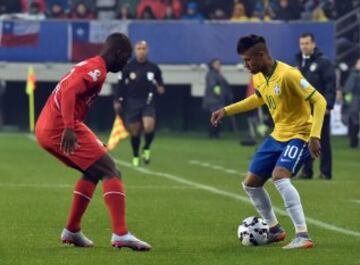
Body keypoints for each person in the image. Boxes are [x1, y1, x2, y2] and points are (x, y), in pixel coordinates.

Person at [35, 33, 151, 251]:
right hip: (60, 127)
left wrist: (87, 136)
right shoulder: (96, 70)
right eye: (125, 58)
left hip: (48, 126)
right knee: (111, 171)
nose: (126, 63)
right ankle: (121, 233)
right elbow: (69, 91)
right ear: (118, 53)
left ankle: (72, 230)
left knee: (93, 171)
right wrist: (69, 127)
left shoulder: (90, 65)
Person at [211, 34, 327, 249]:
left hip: (299, 135)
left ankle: (303, 235)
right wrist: (226, 111)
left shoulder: (289, 74)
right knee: (251, 184)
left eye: (248, 60)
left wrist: (315, 136)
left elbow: (319, 100)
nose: (245, 65)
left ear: (261, 55)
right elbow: (257, 99)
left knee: (280, 177)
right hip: (277, 135)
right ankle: (274, 229)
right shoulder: (258, 76)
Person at [114, 41, 164, 167]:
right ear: (135, 51)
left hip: (148, 101)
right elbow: (120, 85)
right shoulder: (128, 67)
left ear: (147, 50)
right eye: (139, 48)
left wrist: (161, 88)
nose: (141, 51)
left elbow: (160, 82)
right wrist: (118, 100)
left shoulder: (154, 67)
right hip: (132, 102)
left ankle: (146, 148)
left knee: (148, 126)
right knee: (135, 132)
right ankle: (136, 154)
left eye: (144, 48)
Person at [296, 33, 336, 180]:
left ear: (313, 44)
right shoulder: (299, 61)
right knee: (305, 140)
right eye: (302, 44)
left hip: (320, 108)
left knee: (323, 140)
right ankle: (307, 171)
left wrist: (328, 105)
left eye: (306, 43)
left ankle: (326, 172)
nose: (304, 46)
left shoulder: (324, 62)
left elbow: (330, 85)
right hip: (304, 109)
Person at [202, 58, 233, 138]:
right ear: (212, 65)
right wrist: (220, 94)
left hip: (217, 100)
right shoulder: (211, 74)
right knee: (215, 117)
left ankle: (216, 134)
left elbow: (225, 85)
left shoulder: (218, 74)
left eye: (219, 64)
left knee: (218, 117)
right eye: (217, 64)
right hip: (213, 101)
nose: (219, 65)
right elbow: (214, 86)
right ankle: (213, 134)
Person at [343, 58, 360, 148]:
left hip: (354, 101)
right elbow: (348, 89)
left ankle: (354, 142)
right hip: (355, 101)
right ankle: (353, 142)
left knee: (355, 121)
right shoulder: (354, 74)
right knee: (354, 121)